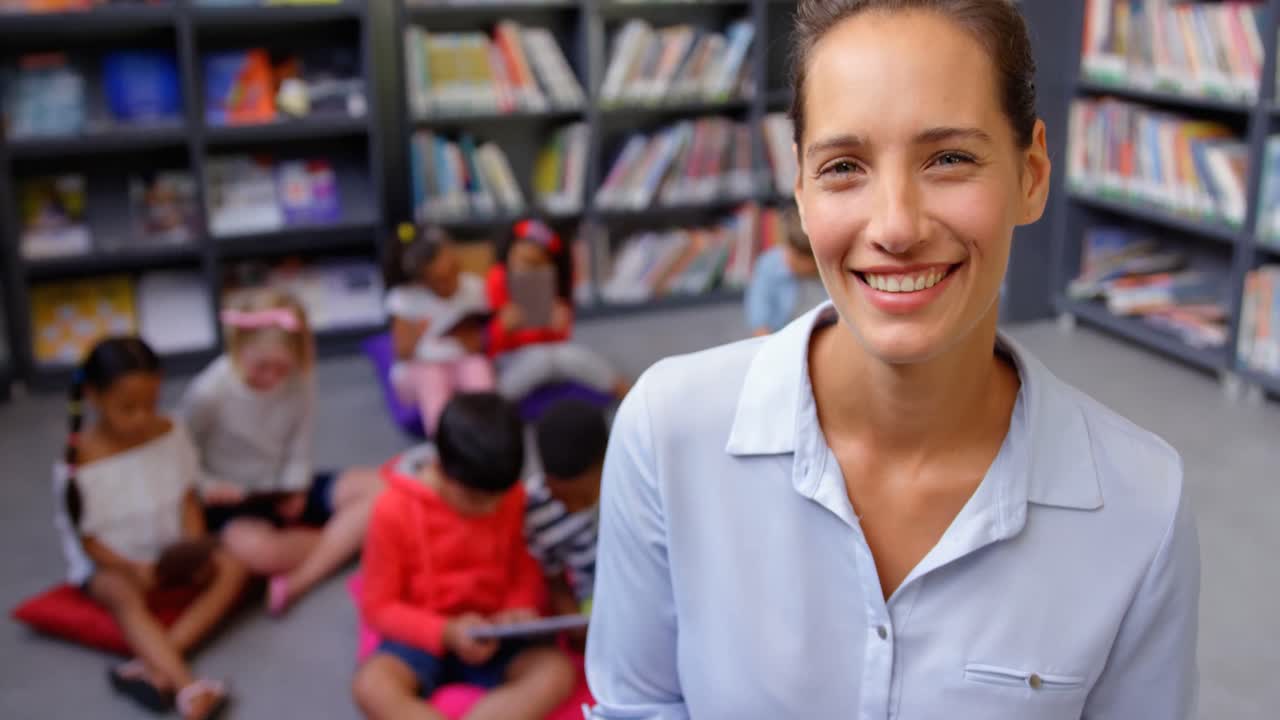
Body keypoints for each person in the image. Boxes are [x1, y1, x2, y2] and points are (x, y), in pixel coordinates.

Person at [585, 2, 1200, 719]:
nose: (897, 227)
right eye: (844, 166)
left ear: (1032, 173)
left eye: (949, 159)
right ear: (802, 190)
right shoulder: (668, 433)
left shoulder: (1142, 504)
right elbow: (639, 707)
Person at [352, 392, 577, 720]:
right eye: (474, 499)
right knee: (371, 685)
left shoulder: (511, 497)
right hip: (423, 635)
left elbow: (526, 565)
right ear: (441, 468)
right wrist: (444, 631)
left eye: (498, 498)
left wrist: (518, 608)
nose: (489, 509)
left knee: (556, 671)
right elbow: (378, 607)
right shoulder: (393, 511)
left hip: (493, 632)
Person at [54, 337, 245, 720]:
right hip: (115, 564)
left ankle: (153, 665)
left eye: (150, 403)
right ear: (94, 397)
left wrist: (191, 545)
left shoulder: (171, 431)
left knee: (233, 566)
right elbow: (87, 540)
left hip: (167, 554)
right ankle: (187, 686)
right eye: (127, 407)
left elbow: (186, 498)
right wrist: (132, 568)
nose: (142, 416)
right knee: (119, 593)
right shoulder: (78, 461)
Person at [182, 289, 381, 615]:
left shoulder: (300, 376)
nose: (273, 378)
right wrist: (208, 486)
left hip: (283, 484)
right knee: (258, 551)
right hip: (234, 499)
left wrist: (296, 483)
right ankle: (348, 541)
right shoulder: (208, 393)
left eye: (282, 368)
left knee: (383, 490)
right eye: (262, 368)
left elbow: (300, 436)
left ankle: (302, 577)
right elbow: (183, 456)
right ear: (238, 347)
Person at [486, 219, 628, 401]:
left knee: (573, 356)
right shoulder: (497, 280)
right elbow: (490, 346)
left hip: (552, 354)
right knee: (544, 359)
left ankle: (624, 390)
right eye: (522, 261)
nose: (527, 270)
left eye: (536, 264)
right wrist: (503, 327)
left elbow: (560, 341)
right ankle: (494, 404)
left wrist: (557, 326)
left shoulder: (556, 289)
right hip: (512, 360)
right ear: (509, 254)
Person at [387, 224, 495, 436]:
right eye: (441, 280)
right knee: (432, 379)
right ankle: (443, 442)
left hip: (460, 359)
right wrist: (419, 332)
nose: (451, 284)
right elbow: (403, 352)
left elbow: (481, 339)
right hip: (421, 366)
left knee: (478, 369)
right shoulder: (405, 299)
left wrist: (473, 339)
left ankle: (488, 434)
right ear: (422, 281)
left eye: (454, 272)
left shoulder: (474, 288)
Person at [527, 398, 607, 617]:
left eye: (584, 498)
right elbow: (556, 582)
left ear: (605, 463)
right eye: (561, 498)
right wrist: (573, 620)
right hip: (591, 605)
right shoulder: (537, 509)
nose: (574, 508)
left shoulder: (632, 486)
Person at [744, 205, 826, 336]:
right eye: (789, 249)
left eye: (797, 257)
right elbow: (759, 324)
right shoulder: (769, 265)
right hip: (782, 339)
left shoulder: (830, 275)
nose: (788, 259)